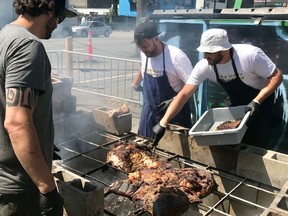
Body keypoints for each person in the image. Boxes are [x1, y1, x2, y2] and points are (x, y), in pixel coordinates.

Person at [0, 0, 76, 215]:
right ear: (50, 7)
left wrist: (42, 142)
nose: (58, 24)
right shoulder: (27, 46)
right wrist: (48, 189)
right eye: (60, 17)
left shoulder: (5, 34)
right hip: (18, 186)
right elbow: (16, 123)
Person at [153, 28, 283, 148]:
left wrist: (257, 101)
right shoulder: (205, 65)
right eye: (204, 52)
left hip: (262, 102)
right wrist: (163, 123)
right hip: (236, 102)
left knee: (256, 143)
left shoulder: (250, 56)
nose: (205, 56)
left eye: (210, 52)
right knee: (230, 144)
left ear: (224, 50)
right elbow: (184, 94)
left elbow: (277, 76)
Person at [132, 22, 193, 138]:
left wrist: (174, 99)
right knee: (142, 151)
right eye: (140, 48)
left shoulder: (176, 57)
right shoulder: (144, 53)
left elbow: (192, 86)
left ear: (155, 39)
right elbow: (143, 65)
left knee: (172, 153)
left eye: (145, 46)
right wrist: (136, 82)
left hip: (174, 116)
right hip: (149, 114)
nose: (143, 51)